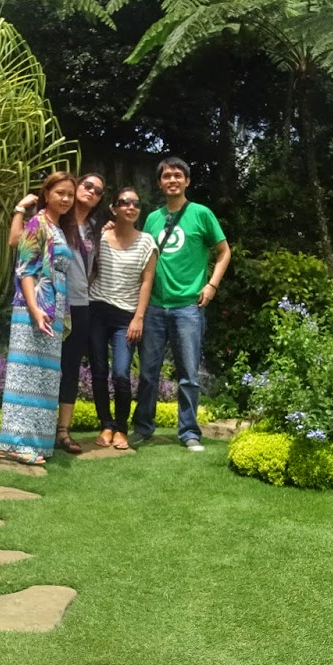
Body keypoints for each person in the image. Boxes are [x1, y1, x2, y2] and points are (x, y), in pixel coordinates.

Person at [132, 157, 231, 451]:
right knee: (148, 372)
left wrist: (211, 285)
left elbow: (224, 252)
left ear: (187, 181)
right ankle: (143, 428)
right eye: (166, 176)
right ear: (160, 183)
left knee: (188, 374)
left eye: (177, 175)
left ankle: (189, 432)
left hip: (188, 306)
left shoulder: (201, 214)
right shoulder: (151, 218)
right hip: (154, 307)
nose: (172, 180)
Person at [11, 172, 106, 452]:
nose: (91, 191)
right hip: (48, 304)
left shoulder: (94, 227)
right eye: (86, 185)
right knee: (37, 370)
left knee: (66, 369)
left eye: (98, 190)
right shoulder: (49, 221)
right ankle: (26, 440)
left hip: (77, 304)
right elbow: (19, 243)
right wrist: (19, 208)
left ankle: (61, 432)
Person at [0, 172, 78, 466]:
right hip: (35, 309)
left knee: (44, 377)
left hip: (52, 309)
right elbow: (27, 270)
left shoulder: (58, 227)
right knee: (25, 377)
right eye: (61, 193)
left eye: (70, 194)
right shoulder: (38, 223)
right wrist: (34, 308)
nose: (66, 199)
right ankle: (15, 445)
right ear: (47, 194)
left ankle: (38, 443)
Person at [86, 186, 158, 451]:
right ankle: (105, 425)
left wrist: (138, 317)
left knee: (121, 374)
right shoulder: (101, 237)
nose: (131, 207)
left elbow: (147, 281)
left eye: (136, 204)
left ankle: (121, 428)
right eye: (124, 202)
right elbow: (91, 271)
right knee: (99, 371)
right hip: (97, 310)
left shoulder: (147, 242)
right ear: (114, 208)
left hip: (126, 317)